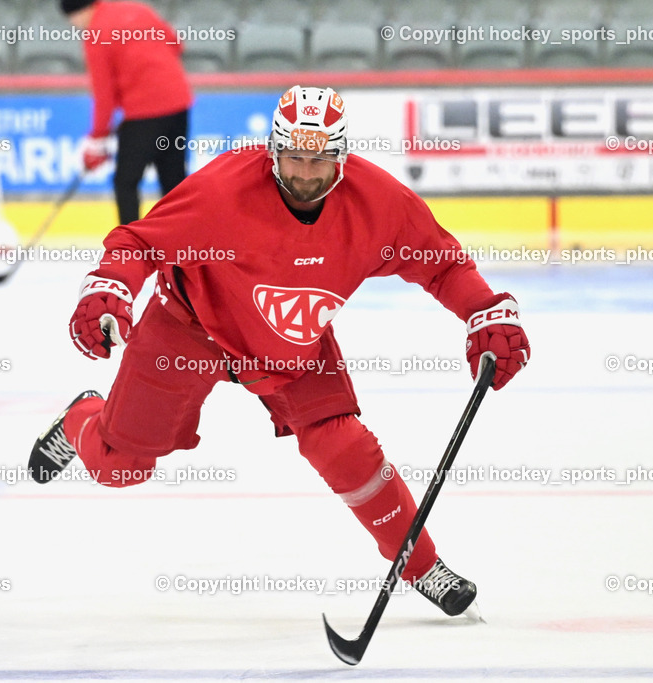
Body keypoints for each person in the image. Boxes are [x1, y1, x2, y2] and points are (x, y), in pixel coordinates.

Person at [30, 86, 530, 616]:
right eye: (294, 157)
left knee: (344, 446)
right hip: (190, 328)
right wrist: (109, 287)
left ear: (341, 154)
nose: (306, 173)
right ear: (273, 150)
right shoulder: (224, 191)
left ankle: (422, 565)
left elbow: (443, 265)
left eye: (319, 159)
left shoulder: (379, 205)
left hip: (291, 339)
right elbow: (139, 242)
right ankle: (81, 419)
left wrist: (486, 311)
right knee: (119, 467)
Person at [61, 0, 192, 225]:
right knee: (174, 181)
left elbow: (104, 94)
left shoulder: (96, 35)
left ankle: (130, 249)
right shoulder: (137, 8)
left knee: (126, 181)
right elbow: (176, 44)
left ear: (78, 13)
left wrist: (97, 139)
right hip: (178, 102)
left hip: (144, 111)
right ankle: (185, 245)